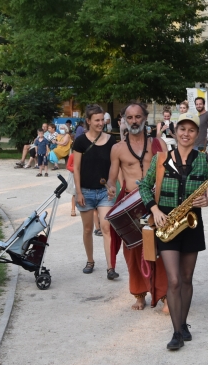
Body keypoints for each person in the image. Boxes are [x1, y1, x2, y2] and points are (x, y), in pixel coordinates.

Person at [139, 112, 208, 350]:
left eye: (191, 130)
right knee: (174, 279)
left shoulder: (204, 160)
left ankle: (183, 323)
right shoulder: (160, 158)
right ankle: (176, 332)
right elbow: (144, 186)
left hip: (192, 222)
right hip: (166, 221)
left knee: (186, 278)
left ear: (197, 135)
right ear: (175, 132)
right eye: (182, 130)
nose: (186, 134)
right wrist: (154, 209)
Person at [106, 103, 168, 311]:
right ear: (123, 119)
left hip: (155, 203)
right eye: (130, 117)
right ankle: (139, 294)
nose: (134, 121)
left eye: (138, 117)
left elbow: (169, 172)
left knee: (160, 247)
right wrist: (109, 189)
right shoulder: (117, 149)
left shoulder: (159, 144)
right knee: (133, 251)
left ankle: (164, 293)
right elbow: (112, 178)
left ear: (145, 118)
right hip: (130, 205)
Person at [72, 104, 118, 278]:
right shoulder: (80, 141)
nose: (101, 123)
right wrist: (79, 192)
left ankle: (110, 267)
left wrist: (113, 186)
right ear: (88, 121)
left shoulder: (111, 140)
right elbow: (76, 168)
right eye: (97, 120)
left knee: (106, 228)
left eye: (102, 120)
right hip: (86, 191)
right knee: (87, 229)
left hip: (105, 193)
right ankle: (90, 260)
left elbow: (115, 166)